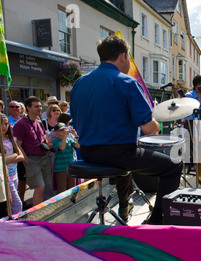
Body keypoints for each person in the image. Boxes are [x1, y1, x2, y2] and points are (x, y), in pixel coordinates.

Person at [70, 35, 182, 224]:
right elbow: (147, 128)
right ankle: (157, 221)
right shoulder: (127, 82)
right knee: (173, 166)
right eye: (129, 57)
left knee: (129, 162)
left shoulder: (80, 83)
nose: (129, 61)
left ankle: (124, 205)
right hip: (118, 153)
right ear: (123, 56)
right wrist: (156, 124)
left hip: (87, 152)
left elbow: (77, 123)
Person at [12, 96, 53, 207]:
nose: (39, 108)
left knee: (46, 186)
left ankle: (43, 209)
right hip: (32, 159)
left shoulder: (38, 122)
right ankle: (37, 214)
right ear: (28, 108)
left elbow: (42, 136)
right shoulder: (21, 124)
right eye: (36, 106)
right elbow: (17, 144)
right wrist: (25, 159)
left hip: (44, 157)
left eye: (40, 106)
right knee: (39, 187)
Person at [1, 114, 25, 215]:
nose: (4, 127)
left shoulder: (11, 138)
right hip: (4, 177)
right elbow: (1, 161)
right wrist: (14, 155)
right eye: (1, 124)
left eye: (6, 124)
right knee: (17, 203)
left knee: (11, 203)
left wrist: (8, 158)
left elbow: (21, 156)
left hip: (14, 175)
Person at [51, 123, 79, 194]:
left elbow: (78, 146)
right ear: (56, 132)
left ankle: (72, 203)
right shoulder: (56, 141)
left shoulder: (69, 139)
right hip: (60, 169)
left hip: (71, 168)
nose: (63, 131)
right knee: (62, 189)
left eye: (64, 129)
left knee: (72, 188)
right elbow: (62, 148)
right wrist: (65, 136)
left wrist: (75, 135)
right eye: (61, 130)